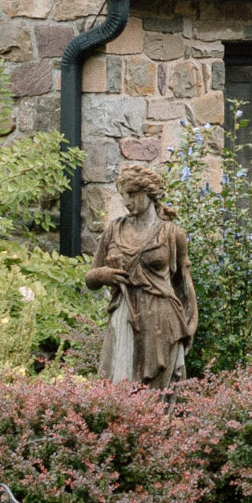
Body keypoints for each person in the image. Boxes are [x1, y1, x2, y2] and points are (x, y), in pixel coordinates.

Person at [84, 164, 197, 386]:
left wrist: (190, 325)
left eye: (133, 194)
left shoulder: (172, 234)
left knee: (158, 392)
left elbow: (184, 283)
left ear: (150, 193)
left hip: (163, 320)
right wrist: (103, 275)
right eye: (124, 195)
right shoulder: (115, 230)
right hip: (125, 316)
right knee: (118, 384)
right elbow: (90, 279)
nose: (127, 201)